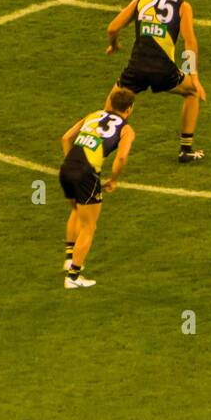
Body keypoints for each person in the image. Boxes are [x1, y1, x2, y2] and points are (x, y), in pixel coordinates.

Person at [105, 0, 208, 162]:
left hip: (136, 68)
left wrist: (114, 45)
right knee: (192, 92)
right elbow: (189, 41)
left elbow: (112, 28)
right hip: (164, 71)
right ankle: (185, 150)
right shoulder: (183, 6)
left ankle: (99, 149)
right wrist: (192, 75)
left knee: (112, 105)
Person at [58, 87, 137, 288]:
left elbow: (66, 137)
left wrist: (71, 162)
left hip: (67, 167)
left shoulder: (92, 115)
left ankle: (69, 258)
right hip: (86, 173)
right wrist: (114, 179)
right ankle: (73, 277)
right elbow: (121, 157)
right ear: (129, 109)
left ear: (110, 103)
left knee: (76, 208)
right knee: (89, 227)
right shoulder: (126, 129)